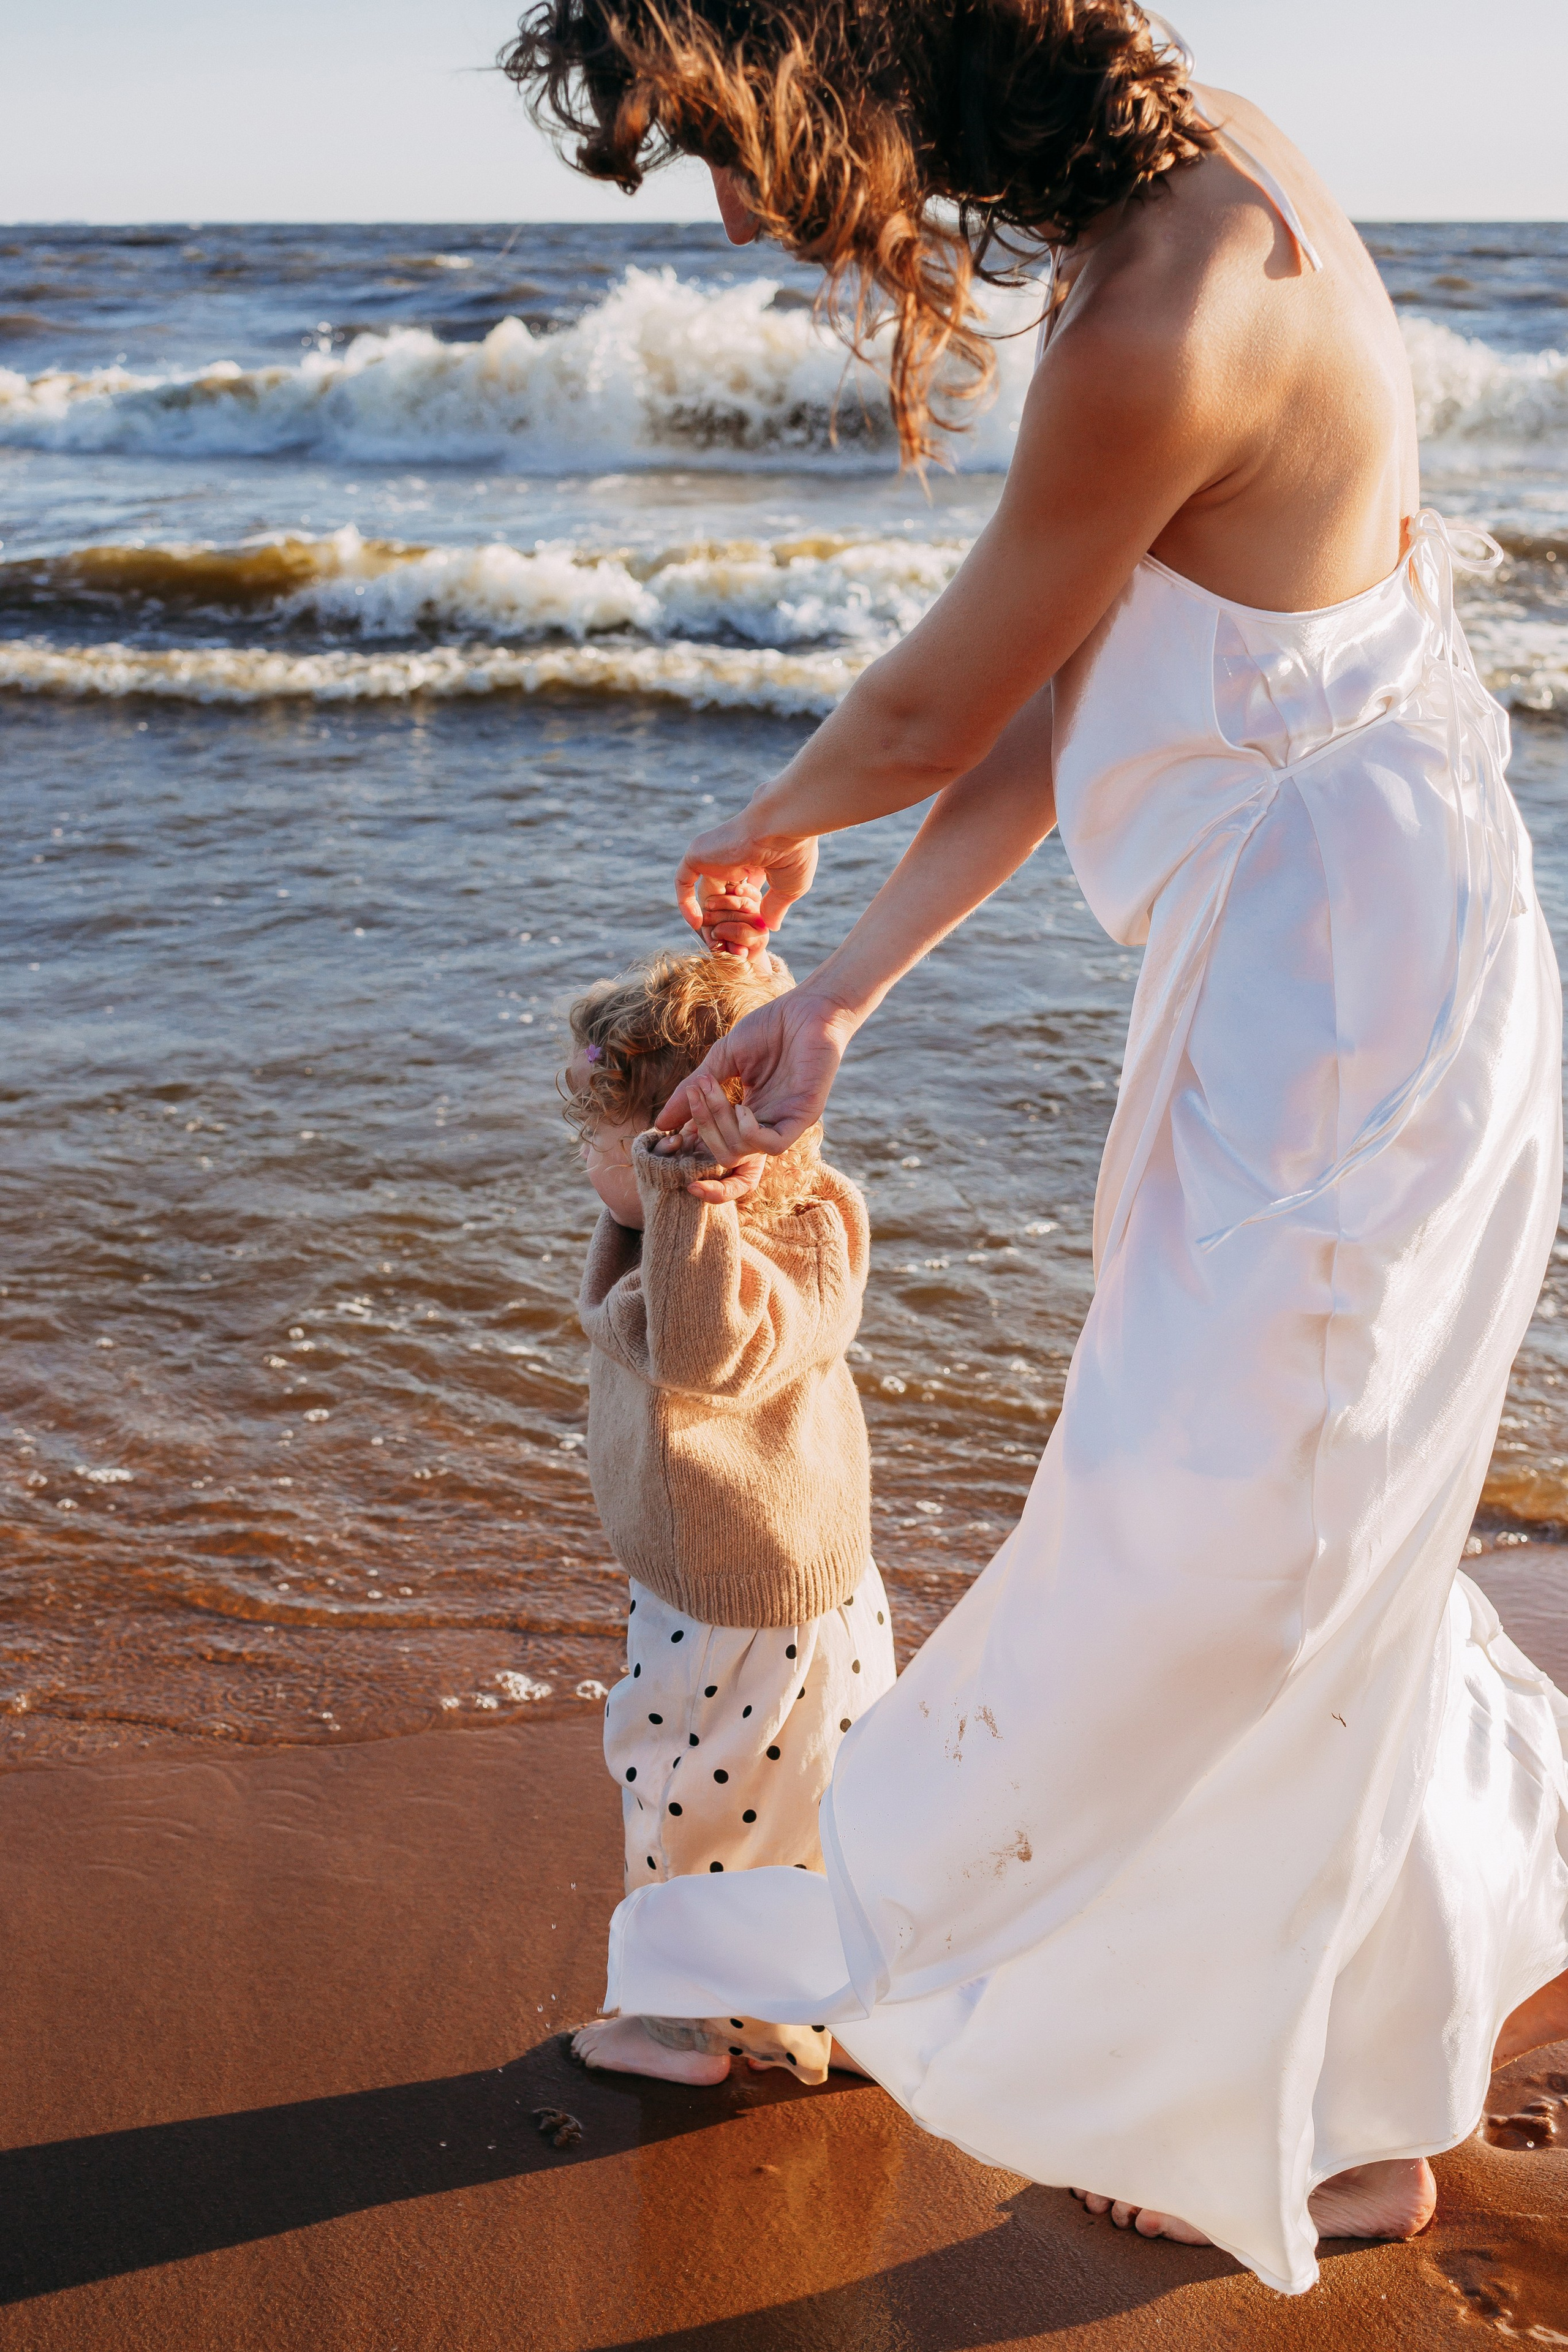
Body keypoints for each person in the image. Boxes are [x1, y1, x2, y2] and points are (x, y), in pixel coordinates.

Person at [504, 0, 1568, 2296]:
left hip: (1353, 1012)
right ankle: (1354, 2099)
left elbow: (940, 702)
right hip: (1319, 973)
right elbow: (1073, 687)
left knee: (1231, 1549)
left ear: (839, 66)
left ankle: (1298, 2117)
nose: (732, 215)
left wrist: (774, 819)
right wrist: (844, 987)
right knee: (1278, 1536)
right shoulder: (1167, 211)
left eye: (726, 146)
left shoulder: (1168, 305)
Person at [560, 888, 895, 2088]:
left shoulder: (728, 1245)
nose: (588, 1162)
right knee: (812, 1803)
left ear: (689, 1144)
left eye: (606, 1140)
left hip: (728, 1602)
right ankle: (838, 2011)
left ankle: (680, 2031)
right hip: (800, 1581)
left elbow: (701, 1354)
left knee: (685, 1806)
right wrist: (748, 968)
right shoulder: (799, 1208)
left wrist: (678, 1195)